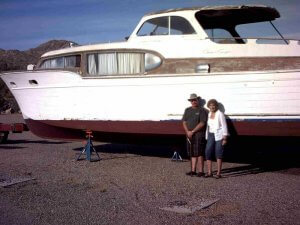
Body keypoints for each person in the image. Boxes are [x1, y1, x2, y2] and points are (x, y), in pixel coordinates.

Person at [182, 93, 208, 177]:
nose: (193, 101)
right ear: (190, 101)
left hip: (198, 134)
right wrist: (187, 131)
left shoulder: (202, 110)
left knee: (199, 152)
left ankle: (201, 171)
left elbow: (202, 123)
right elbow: (184, 122)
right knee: (192, 152)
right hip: (189, 134)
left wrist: (192, 131)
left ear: (197, 100)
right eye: (192, 100)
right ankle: (193, 170)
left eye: (195, 100)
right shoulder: (187, 110)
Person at [204, 99, 228, 179]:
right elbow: (208, 126)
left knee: (218, 153)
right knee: (208, 152)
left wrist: (225, 138)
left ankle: (218, 173)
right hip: (211, 134)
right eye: (210, 105)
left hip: (219, 135)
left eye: (213, 105)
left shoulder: (220, 114)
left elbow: (224, 126)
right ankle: (209, 172)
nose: (212, 107)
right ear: (208, 106)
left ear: (216, 106)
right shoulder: (209, 113)